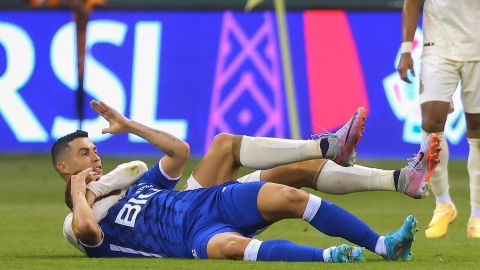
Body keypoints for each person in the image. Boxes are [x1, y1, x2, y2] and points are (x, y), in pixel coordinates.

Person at [52, 101, 440, 262]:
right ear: (64, 169)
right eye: (85, 154)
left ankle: (382, 178)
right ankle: (331, 253)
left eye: (94, 150)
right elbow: (85, 226)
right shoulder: (80, 220)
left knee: (288, 179)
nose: (96, 157)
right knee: (232, 244)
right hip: (190, 237)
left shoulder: (132, 187)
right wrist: (79, 191)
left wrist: (129, 125)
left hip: (200, 201)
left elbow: (180, 152)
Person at [397, 0, 480, 238]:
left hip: (477, 47)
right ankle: (443, 203)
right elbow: (411, 2)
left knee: (477, 129)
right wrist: (406, 50)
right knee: (432, 121)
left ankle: (477, 213)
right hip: (438, 48)